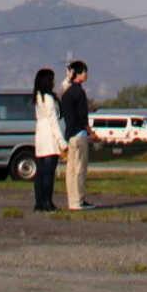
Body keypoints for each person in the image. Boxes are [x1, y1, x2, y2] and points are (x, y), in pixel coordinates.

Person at [59, 61, 94, 211]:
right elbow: (82, 116)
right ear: (78, 74)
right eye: (84, 72)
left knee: (71, 170)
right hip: (79, 134)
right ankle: (77, 201)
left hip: (69, 135)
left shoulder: (66, 92)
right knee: (79, 170)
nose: (86, 75)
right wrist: (90, 131)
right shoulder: (79, 93)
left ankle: (74, 199)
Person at [29, 68, 63, 213]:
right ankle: (47, 202)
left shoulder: (37, 97)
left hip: (40, 136)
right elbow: (53, 121)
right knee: (49, 172)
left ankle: (39, 202)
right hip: (50, 137)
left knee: (40, 172)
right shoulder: (48, 98)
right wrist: (62, 141)